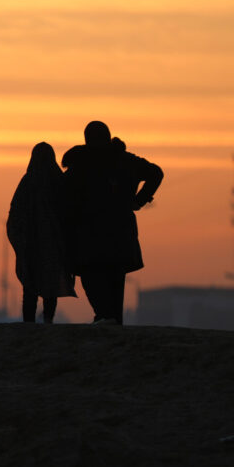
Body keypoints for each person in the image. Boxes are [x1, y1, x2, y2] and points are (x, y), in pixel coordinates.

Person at [62, 121, 162, 325]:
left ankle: (105, 318)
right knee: (114, 282)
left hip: (90, 236)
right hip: (118, 234)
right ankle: (111, 321)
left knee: (92, 278)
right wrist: (139, 200)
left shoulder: (80, 164)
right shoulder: (124, 160)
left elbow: (64, 196)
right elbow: (156, 173)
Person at [7, 142, 76, 322]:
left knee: (30, 287)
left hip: (31, 244)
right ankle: (48, 321)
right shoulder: (59, 180)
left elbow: (14, 213)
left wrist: (20, 240)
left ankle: (29, 323)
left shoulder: (28, 181)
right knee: (50, 286)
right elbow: (70, 212)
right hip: (53, 244)